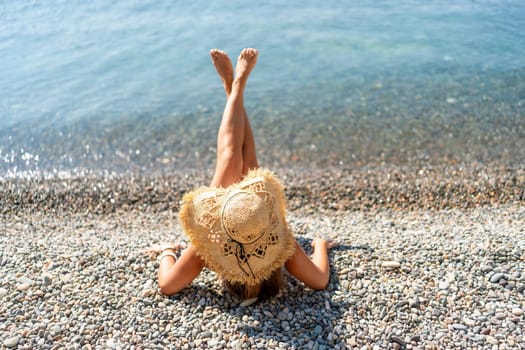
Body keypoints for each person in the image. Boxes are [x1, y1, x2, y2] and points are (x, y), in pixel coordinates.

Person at [151, 48, 336, 302]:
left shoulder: (211, 247)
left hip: (226, 213)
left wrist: (320, 246)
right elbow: (321, 280)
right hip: (246, 212)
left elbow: (166, 286)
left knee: (232, 157)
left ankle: (233, 86)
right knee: (241, 159)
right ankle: (234, 85)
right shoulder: (281, 248)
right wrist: (319, 246)